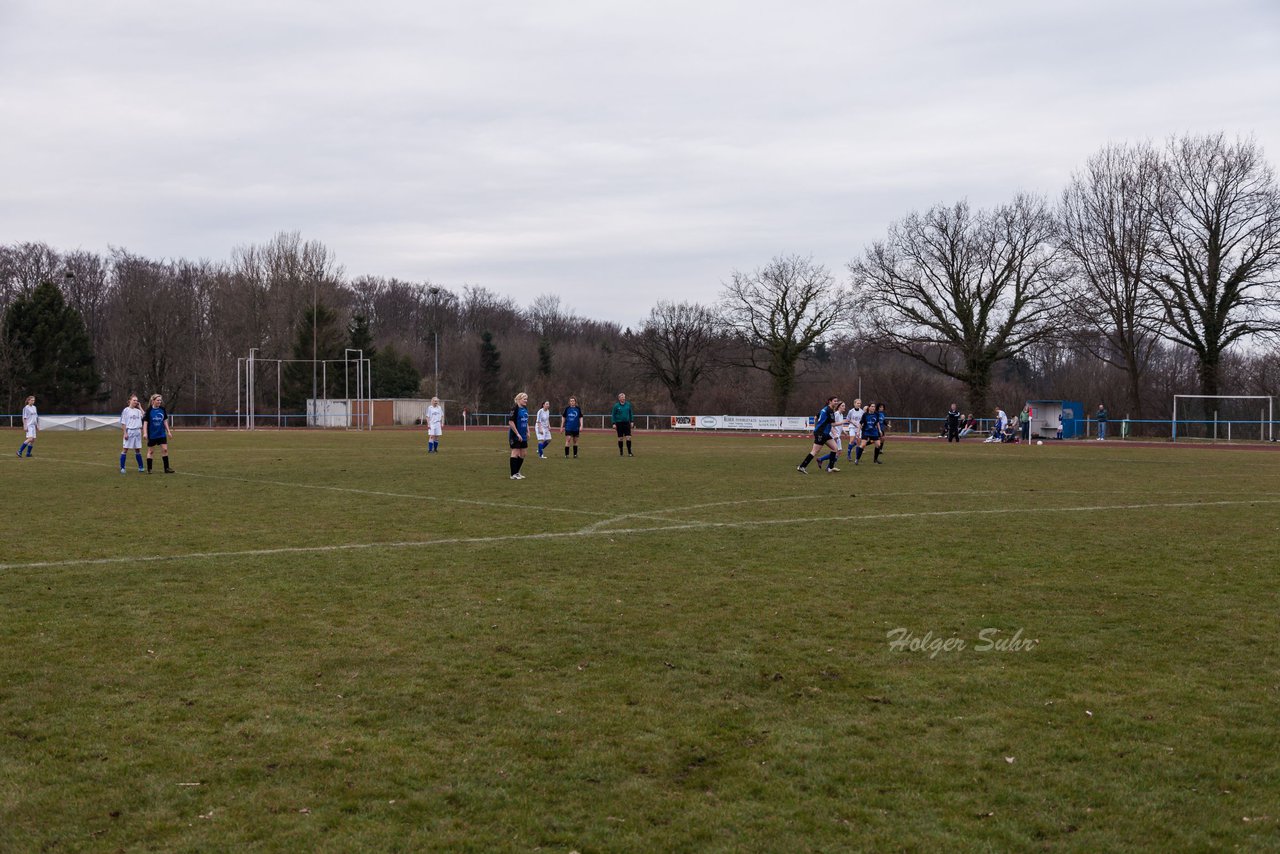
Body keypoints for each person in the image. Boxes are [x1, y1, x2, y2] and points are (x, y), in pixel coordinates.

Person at [797, 396, 841, 473]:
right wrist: (846, 421)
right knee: (814, 451)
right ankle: (802, 467)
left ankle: (830, 468)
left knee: (835, 448)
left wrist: (817, 426)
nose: (836, 402)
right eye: (835, 401)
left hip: (825, 433)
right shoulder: (829, 410)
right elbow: (833, 424)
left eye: (837, 401)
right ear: (830, 401)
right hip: (821, 433)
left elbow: (816, 417)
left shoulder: (824, 409)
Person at [143, 393, 175, 473]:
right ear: (153, 401)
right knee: (151, 451)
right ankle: (149, 469)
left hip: (161, 433)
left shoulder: (162, 409)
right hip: (152, 434)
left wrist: (168, 431)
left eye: (160, 400)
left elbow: (165, 421)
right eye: (158, 400)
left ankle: (166, 468)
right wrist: (145, 433)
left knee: (165, 449)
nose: (159, 402)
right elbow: (145, 423)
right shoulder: (149, 410)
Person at [119, 394, 145, 473]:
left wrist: (140, 407)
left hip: (137, 432)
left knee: (137, 449)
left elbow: (145, 416)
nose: (135, 402)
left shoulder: (138, 411)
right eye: (134, 400)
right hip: (129, 431)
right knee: (125, 449)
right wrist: (125, 433)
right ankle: (122, 468)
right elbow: (123, 423)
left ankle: (141, 467)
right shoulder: (126, 410)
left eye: (137, 400)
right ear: (130, 401)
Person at [507, 392, 530, 480]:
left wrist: (528, 432)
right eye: (524, 399)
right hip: (515, 435)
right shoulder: (515, 408)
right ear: (519, 399)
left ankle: (517, 472)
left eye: (526, 399)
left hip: (523, 435)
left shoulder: (525, 408)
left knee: (523, 453)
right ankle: (513, 474)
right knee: (515, 452)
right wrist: (517, 433)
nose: (526, 401)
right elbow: (511, 422)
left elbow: (526, 421)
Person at [612, 392, 634, 457]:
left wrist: (632, 421)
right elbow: (613, 415)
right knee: (620, 438)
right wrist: (613, 423)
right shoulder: (616, 406)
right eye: (622, 397)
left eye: (624, 397)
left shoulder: (628, 404)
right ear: (619, 398)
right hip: (619, 423)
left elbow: (631, 413)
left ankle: (629, 452)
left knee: (628, 437)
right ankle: (621, 452)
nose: (623, 398)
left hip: (627, 423)